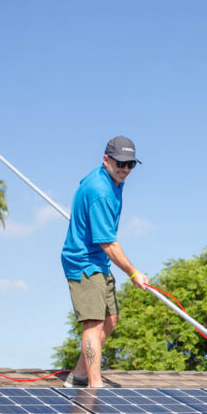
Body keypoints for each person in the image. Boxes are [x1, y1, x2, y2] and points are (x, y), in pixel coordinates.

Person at [61, 136, 149, 388]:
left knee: (111, 319)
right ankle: (94, 385)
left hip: (98, 260)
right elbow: (108, 243)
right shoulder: (99, 191)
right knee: (93, 323)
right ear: (106, 160)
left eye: (130, 164)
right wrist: (133, 273)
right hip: (83, 261)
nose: (125, 169)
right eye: (120, 163)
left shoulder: (111, 180)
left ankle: (79, 374)